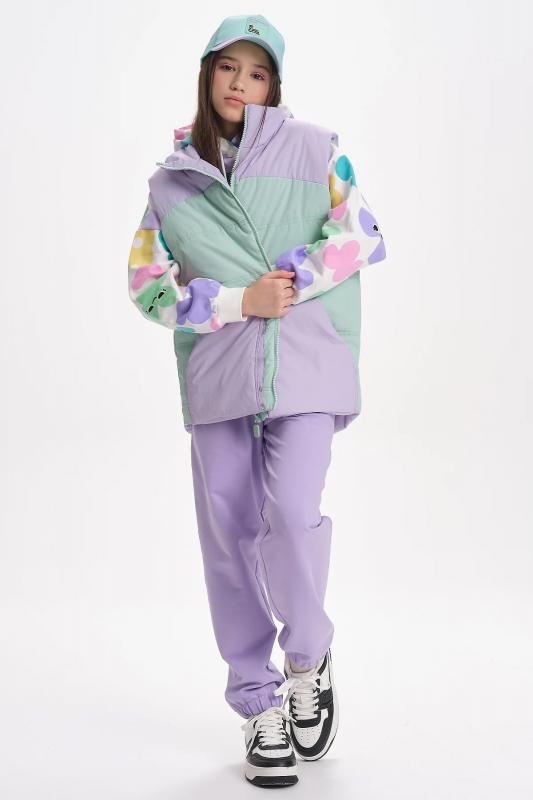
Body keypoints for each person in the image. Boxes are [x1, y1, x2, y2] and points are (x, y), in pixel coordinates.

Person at [127, 13, 386, 788]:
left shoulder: (315, 148)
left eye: (257, 72)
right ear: (207, 74)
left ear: (274, 83)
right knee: (230, 536)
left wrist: (292, 283)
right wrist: (240, 302)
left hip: (306, 359)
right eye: (227, 68)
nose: (240, 84)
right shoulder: (170, 184)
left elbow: (360, 233)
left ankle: (306, 656)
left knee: (293, 515)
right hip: (220, 373)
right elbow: (146, 286)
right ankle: (257, 703)